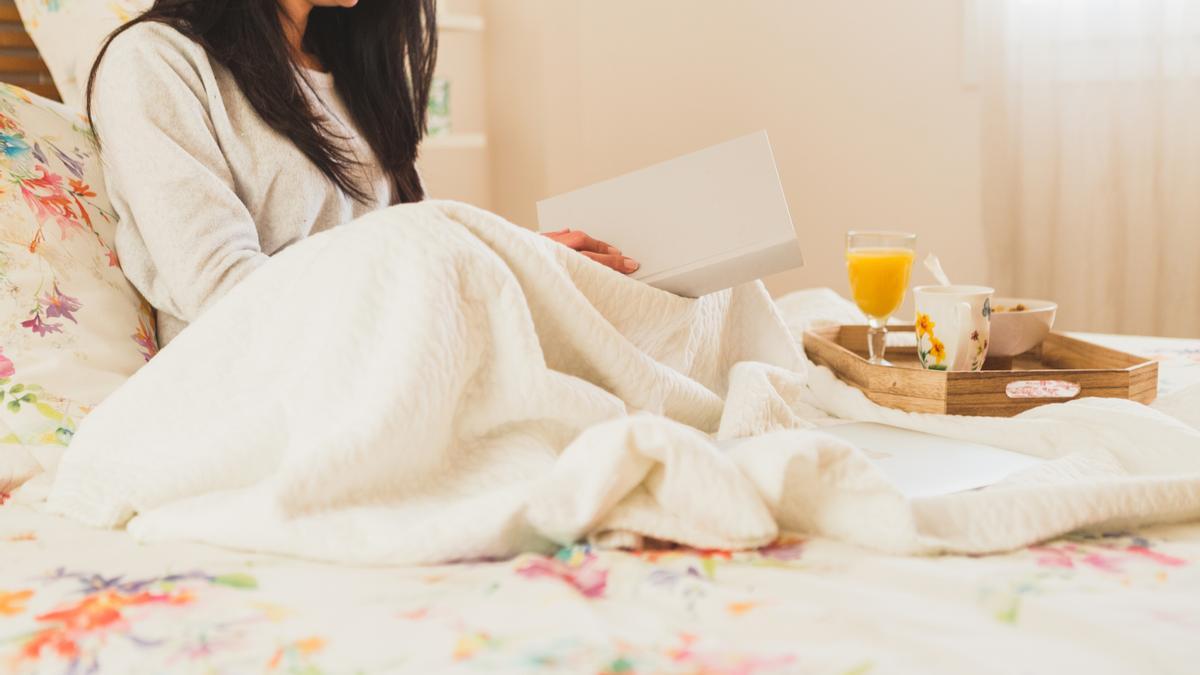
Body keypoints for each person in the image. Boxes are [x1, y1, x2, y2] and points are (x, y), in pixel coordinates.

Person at [88, 0, 639, 347]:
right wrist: (488, 271)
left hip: (397, 347)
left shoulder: (351, 69)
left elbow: (415, 238)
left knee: (649, 311)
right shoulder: (154, 62)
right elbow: (223, 293)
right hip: (264, 378)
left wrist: (520, 259)